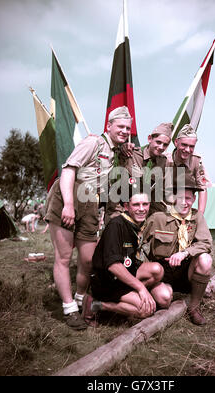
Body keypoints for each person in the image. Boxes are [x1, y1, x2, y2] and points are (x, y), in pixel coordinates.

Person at [44, 106, 132, 330]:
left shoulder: (115, 152)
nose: (124, 131)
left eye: (128, 128)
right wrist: (69, 206)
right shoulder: (93, 143)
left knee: (87, 260)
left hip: (91, 202)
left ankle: (81, 300)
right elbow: (68, 170)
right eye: (120, 127)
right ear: (108, 126)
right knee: (63, 257)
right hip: (70, 195)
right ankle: (69, 308)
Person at [81, 185, 173, 326]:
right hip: (107, 281)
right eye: (136, 205)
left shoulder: (137, 224)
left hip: (124, 275)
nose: (141, 209)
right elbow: (113, 266)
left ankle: (131, 297)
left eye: (145, 204)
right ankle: (97, 305)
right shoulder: (116, 225)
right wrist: (141, 288)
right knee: (145, 310)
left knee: (157, 270)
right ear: (126, 207)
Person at [142, 179, 212, 325]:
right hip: (163, 272)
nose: (184, 202)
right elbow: (139, 243)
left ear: (194, 199)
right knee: (164, 299)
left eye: (188, 198)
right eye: (180, 198)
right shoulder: (158, 218)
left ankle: (194, 308)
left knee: (205, 259)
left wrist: (185, 253)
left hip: (186, 270)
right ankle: (151, 293)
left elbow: (205, 243)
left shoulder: (197, 217)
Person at [105, 122, 173, 222]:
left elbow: (157, 195)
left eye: (165, 145)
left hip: (142, 214)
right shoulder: (130, 154)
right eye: (158, 142)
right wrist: (123, 148)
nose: (161, 147)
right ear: (150, 139)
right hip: (120, 211)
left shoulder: (164, 163)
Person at [167, 124, 211, 214]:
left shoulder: (196, 161)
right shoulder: (166, 160)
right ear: (176, 142)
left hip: (185, 205)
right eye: (184, 145)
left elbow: (202, 188)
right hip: (167, 204)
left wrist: (200, 215)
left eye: (191, 146)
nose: (187, 150)